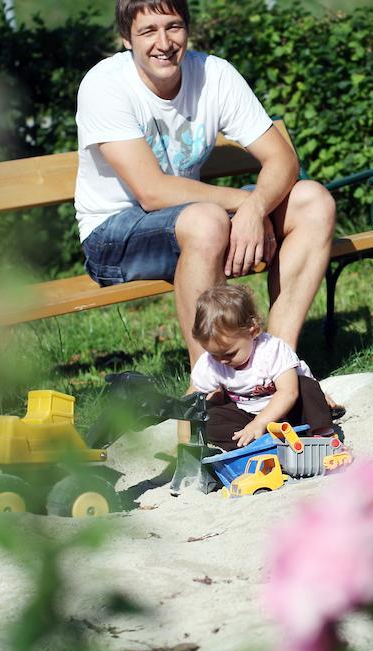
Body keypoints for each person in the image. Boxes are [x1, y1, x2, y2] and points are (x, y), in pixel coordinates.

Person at [73, 0, 335, 398]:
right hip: (112, 235)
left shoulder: (214, 74)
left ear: (187, 29)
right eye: (148, 31)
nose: (164, 42)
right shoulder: (104, 84)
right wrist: (245, 206)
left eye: (173, 27)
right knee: (207, 220)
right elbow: (152, 191)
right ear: (126, 38)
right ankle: (208, 390)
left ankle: (274, 370)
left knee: (312, 200)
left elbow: (283, 159)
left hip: (193, 221)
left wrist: (256, 206)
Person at [190, 284, 334, 451]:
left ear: (253, 332)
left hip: (290, 409)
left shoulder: (271, 350)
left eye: (230, 354)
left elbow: (288, 392)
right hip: (248, 414)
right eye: (215, 354)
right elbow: (192, 399)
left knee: (307, 387)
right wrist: (185, 440)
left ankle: (322, 436)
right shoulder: (211, 362)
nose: (222, 360)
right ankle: (257, 445)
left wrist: (261, 422)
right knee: (210, 419)